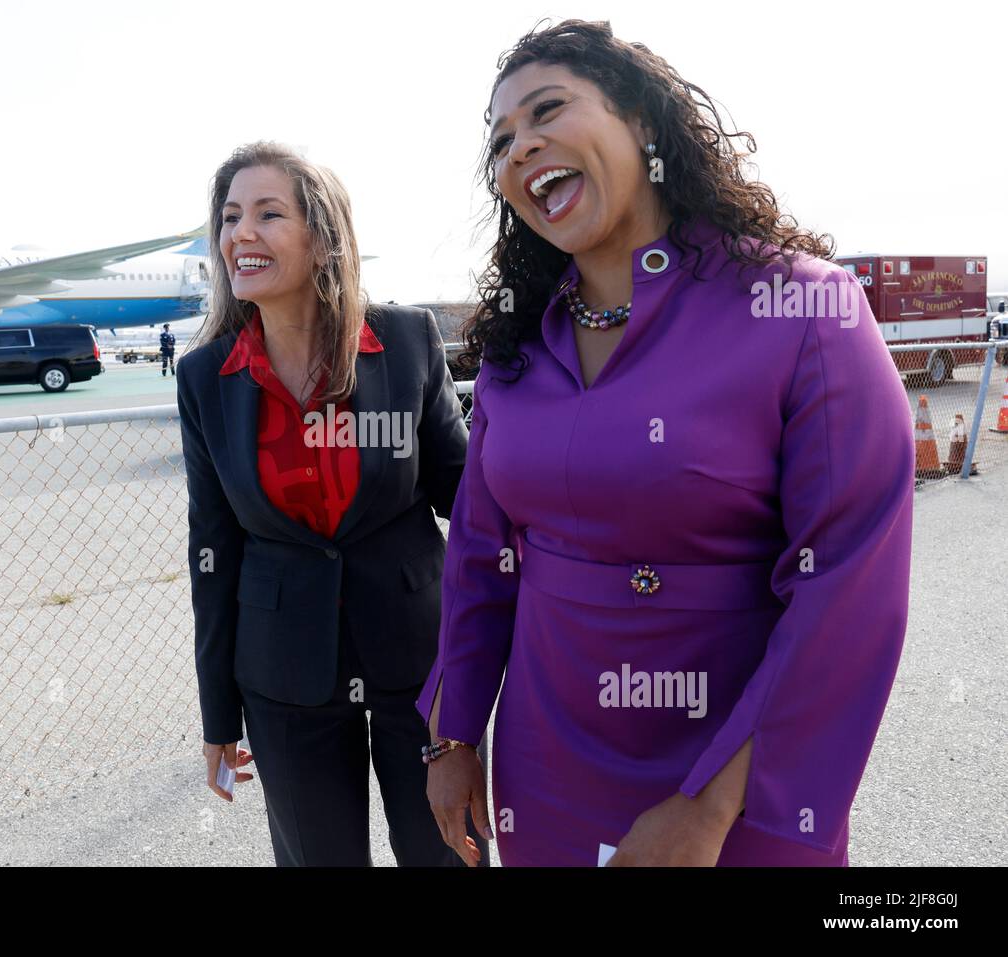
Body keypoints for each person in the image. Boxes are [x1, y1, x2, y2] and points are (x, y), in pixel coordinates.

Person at [418, 19, 914, 867]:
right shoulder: (515, 355)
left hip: (737, 785)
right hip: (546, 777)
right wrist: (452, 736)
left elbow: (847, 590)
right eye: (501, 143)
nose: (519, 148)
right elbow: (478, 559)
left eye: (547, 111)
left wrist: (711, 805)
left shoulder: (803, 312)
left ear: (644, 123)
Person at [177, 141, 487, 866]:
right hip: (285, 676)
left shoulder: (406, 341)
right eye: (228, 217)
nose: (238, 234)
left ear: (321, 236)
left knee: (449, 852)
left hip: (418, 664)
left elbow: (468, 500)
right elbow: (211, 552)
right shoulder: (204, 378)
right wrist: (218, 714)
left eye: (267, 213)